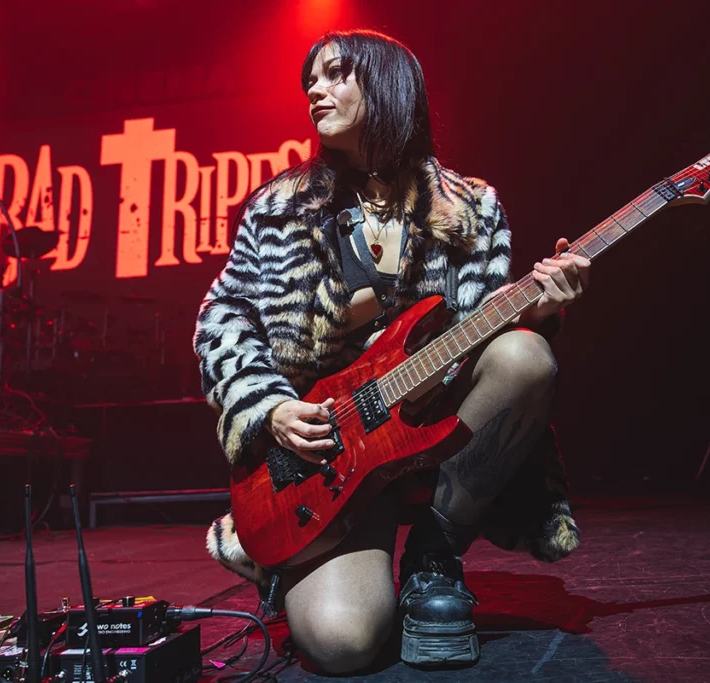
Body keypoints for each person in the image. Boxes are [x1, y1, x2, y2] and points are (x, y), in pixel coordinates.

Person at [195, 29, 590, 674]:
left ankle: (436, 553)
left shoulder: (470, 209)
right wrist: (268, 408)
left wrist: (541, 308)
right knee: (343, 645)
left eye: (335, 74)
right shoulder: (278, 209)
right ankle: (288, 557)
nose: (314, 91)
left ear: (386, 84)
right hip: (331, 460)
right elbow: (222, 316)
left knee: (524, 356)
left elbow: (486, 325)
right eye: (309, 82)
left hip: (434, 441)